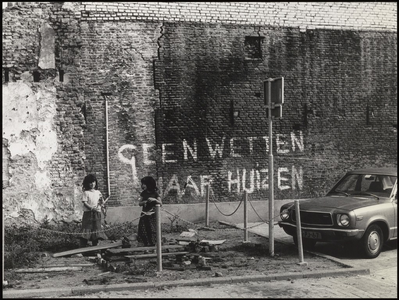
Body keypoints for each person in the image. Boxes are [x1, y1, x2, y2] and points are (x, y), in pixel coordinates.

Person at [79, 174, 108, 248]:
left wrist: (103, 208)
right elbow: (85, 203)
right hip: (88, 214)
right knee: (87, 228)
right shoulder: (86, 193)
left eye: (94, 182)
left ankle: (95, 245)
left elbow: (101, 202)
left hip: (97, 214)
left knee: (96, 228)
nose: (92, 184)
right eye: (90, 183)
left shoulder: (98, 192)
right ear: (87, 184)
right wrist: (91, 208)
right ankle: (83, 245)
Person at [137, 176, 162, 247]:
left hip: (153, 215)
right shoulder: (143, 193)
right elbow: (139, 203)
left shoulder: (155, 193)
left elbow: (160, 203)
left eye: (143, 184)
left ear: (149, 184)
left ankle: (154, 245)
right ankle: (145, 244)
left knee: (153, 230)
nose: (142, 186)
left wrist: (154, 200)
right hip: (144, 214)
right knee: (143, 230)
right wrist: (144, 202)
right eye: (142, 184)